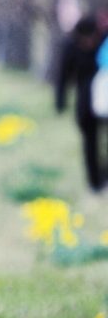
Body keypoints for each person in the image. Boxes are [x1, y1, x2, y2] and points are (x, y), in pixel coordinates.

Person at [56, 16, 107, 191]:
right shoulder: (70, 47)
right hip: (85, 102)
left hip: (105, 98)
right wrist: (60, 100)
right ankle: (94, 182)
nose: (89, 42)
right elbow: (63, 75)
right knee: (90, 141)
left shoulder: (104, 42)